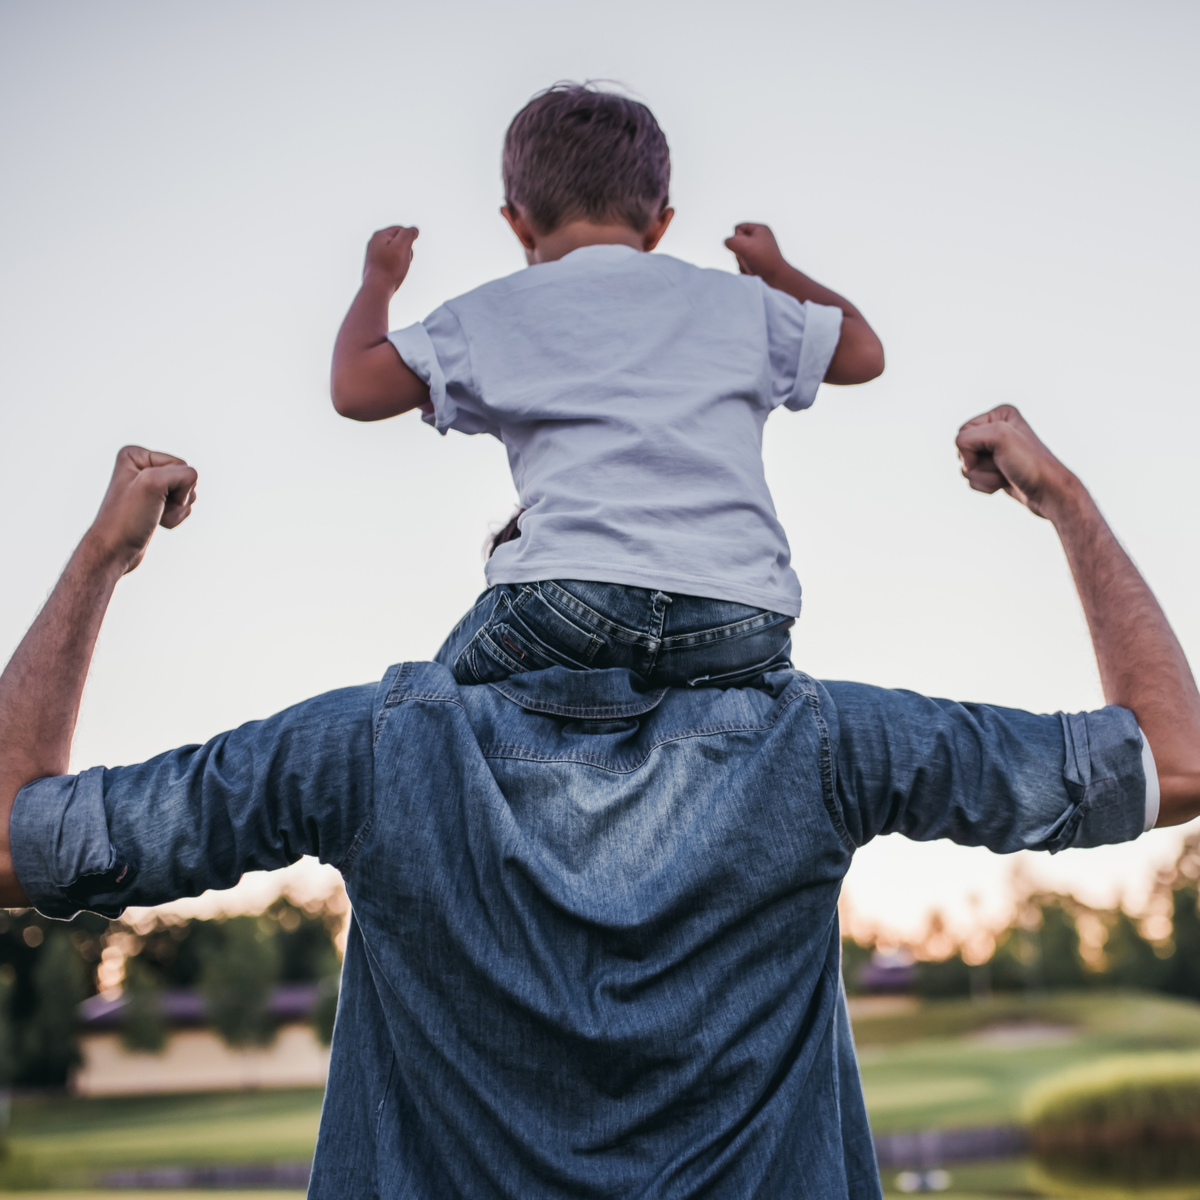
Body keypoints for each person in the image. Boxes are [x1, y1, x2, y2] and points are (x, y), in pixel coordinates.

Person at [2, 407, 1199, 1199]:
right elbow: (1175, 761)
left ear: (508, 578)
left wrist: (102, 557)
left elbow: (15, 840)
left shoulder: (367, 751)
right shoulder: (819, 742)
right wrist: (1069, 504)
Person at [330, 83, 885, 690]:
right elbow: (864, 352)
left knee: (426, 708)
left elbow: (355, 387)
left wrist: (378, 280)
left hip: (571, 602)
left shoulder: (496, 311)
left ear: (517, 224)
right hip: (742, 615)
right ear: (660, 224)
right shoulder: (740, 304)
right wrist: (776, 272)